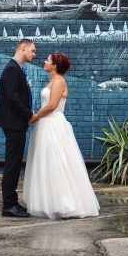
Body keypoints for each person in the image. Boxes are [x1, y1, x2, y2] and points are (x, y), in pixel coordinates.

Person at [23, 52, 100, 219]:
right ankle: (49, 201)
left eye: (48, 60)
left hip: (53, 124)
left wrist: (35, 116)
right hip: (46, 124)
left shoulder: (58, 81)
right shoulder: (53, 80)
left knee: (57, 162)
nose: (44, 61)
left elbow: (52, 105)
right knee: (46, 162)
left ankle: (63, 203)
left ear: (54, 66)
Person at [0, 38, 37, 217]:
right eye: (33, 50)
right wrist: (29, 115)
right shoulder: (12, 69)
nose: (34, 54)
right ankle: (9, 205)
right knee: (12, 164)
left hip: (15, 123)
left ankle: (12, 202)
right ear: (23, 48)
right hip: (13, 123)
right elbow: (12, 97)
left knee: (14, 163)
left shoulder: (17, 68)